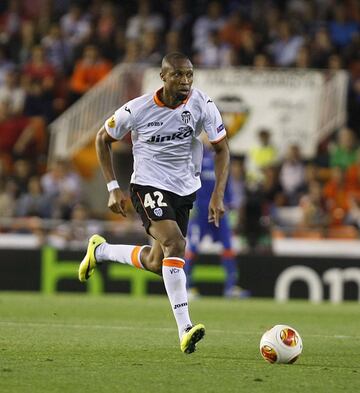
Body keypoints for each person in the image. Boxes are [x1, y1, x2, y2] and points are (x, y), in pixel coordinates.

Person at [78, 52, 230, 354]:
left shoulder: (202, 103)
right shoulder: (139, 109)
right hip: (148, 184)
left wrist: (218, 194)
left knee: (156, 262)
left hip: (186, 188)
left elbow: (222, 149)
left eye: (189, 74)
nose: (185, 81)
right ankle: (185, 328)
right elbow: (101, 139)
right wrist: (113, 187)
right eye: (178, 75)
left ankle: (102, 250)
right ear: (163, 77)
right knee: (176, 243)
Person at [185, 141, 250, 298]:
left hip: (220, 211)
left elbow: (225, 187)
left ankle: (231, 287)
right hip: (201, 211)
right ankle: (186, 288)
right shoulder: (199, 156)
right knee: (191, 248)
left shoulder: (225, 159)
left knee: (228, 247)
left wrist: (229, 205)